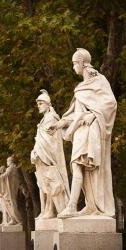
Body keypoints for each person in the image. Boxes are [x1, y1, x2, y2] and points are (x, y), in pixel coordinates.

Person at [49, 48, 117, 218]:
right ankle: (90, 205)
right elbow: (75, 113)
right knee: (83, 168)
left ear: (81, 63)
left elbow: (110, 103)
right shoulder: (80, 87)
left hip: (91, 130)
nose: (73, 68)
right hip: (79, 131)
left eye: (74, 64)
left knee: (78, 164)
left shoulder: (99, 80)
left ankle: (72, 206)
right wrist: (59, 124)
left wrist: (93, 115)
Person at [31, 90, 70, 219]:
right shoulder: (44, 119)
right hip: (41, 156)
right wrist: (35, 151)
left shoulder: (51, 118)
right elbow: (40, 138)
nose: (39, 106)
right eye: (38, 104)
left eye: (41, 103)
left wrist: (39, 151)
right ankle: (48, 210)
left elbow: (50, 140)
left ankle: (53, 210)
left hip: (47, 156)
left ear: (48, 104)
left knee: (51, 184)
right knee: (46, 185)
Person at [0, 155, 22, 225]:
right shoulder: (12, 168)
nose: (7, 162)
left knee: (12, 205)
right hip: (9, 190)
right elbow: (4, 178)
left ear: (10, 161)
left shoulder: (11, 168)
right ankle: (13, 219)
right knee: (9, 205)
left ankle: (18, 220)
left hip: (10, 191)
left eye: (7, 161)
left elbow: (5, 176)